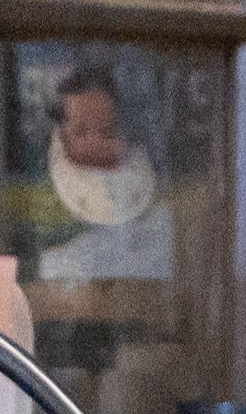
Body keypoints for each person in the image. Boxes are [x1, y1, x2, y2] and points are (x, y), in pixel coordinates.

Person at [21, 60, 170, 282]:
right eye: (80, 132)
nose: (95, 145)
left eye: (108, 132)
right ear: (60, 138)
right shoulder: (40, 200)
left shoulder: (158, 202)